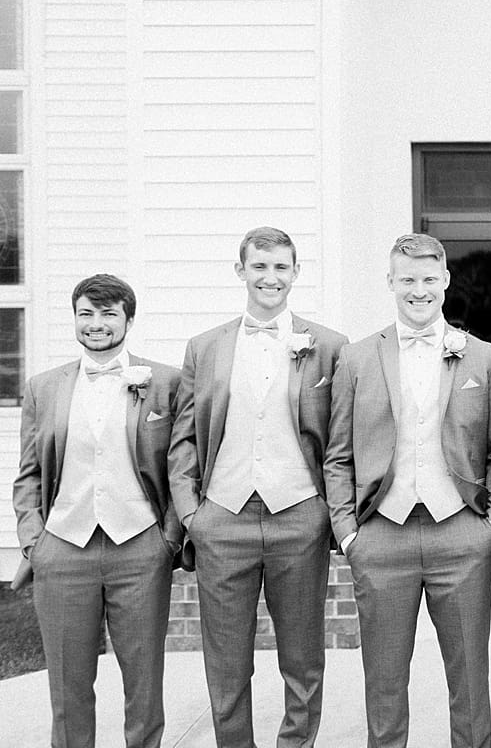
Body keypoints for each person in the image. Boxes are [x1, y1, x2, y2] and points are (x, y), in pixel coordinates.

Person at [168, 226, 347, 747]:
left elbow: (341, 439)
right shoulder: (205, 347)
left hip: (300, 517)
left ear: (296, 272)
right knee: (226, 662)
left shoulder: (330, 346)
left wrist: (326, 515)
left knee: (303, 658)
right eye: (260, 267)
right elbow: (182, 441)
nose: (271, 278)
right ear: (241, 270)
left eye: (281, 267)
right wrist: (194, 516)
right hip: (222, 518)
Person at [325, 233, 491, 748]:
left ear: (446, 281)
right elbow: (339, 453)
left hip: (461, 536)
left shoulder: (484, 357)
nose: (419, 290)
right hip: (382, 538)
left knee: (470, 682)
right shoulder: (358, 358)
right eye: (408, 280)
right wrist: (348, 533)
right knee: (383, 686)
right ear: (390, 283)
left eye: (429, 279)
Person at [13, 274, 181, 747]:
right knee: (68, 688)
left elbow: (179, 467)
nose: (96, 324)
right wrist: (34, 543)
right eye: (86, 313)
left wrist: (167, 541)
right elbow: (28, 474)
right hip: (64, 551)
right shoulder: (44, 387)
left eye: (108, 313)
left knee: (144, 684)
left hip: (141, 549)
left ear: (128, 318)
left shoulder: (164, 382)